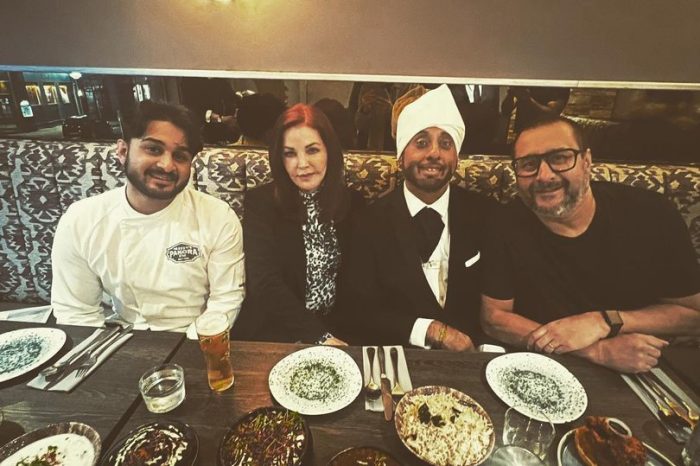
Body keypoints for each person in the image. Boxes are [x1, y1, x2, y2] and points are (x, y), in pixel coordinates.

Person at [480, 115, 700, 373]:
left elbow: (693, 316)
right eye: (529, 164)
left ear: (587, 162)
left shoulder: (651, 213)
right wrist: (596, 351)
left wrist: (604, 322)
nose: (544, 175)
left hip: (641, 364)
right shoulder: (505, 223)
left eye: (560, 158)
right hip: (541, 366)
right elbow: (494, 319)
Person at [51, 101, 245, 338]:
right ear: (123, 151)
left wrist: (188, 351)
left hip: (196, 337)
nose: (166, 165)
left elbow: (225, 300)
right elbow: (77, 312)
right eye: (153, 149)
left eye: (180, 156)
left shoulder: (217, 217)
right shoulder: (81, 220)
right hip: (121, 339)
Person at [339, 84, 495, 349]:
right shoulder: (367, 221)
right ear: (400, 158)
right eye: (421, 143)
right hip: (398, 359)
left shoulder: (486, 215)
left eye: (446, 144)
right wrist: (431, 330)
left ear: (456, 159)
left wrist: (489, 355)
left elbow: (497, 302)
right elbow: (358, 311)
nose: (434, 153)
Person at [232, 104, 364, 344]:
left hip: (338, 328)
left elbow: (358, 282)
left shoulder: (353, 203)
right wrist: (318, 336)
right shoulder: (260, 203)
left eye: (312, 150)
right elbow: (265, 283)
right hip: (275, 330)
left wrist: (337, 336)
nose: (302, 164)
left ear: (330, 152)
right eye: (290, 153)